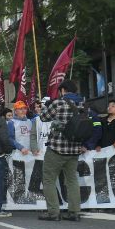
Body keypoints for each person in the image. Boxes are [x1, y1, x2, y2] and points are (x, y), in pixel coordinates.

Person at [38, 80, 84, 221]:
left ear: (63, 90)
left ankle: (53, 212)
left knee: (48, 179)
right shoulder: (83, 104)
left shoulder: (59, 103)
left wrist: (46, 106)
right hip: (75, 148)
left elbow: (44, 117)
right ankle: (74, 212)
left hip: (57, 148)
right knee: (72, 180)